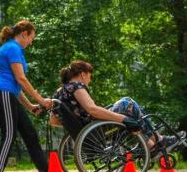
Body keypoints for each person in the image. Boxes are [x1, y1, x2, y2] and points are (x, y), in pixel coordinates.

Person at [0, 20, 59, 172]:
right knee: (9, 135)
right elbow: (21, 79)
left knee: (30, 134)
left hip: (8, 93)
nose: (31, 42)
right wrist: (41, 100)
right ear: (24, 33)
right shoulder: (12, 48)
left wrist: (30, 106)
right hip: (2, 92)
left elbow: (16, 87)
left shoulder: (14, 49)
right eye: (31, 37)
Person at [50, 60, 179, 151]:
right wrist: (123, 119)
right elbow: (92, 109)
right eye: (90, 76)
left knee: (130, 115)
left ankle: (151, 145)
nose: (90, 80)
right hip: (95, 128)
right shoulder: (76, 86)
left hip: (87, 130)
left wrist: (75, 124)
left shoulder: (58, 93)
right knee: (128, 103)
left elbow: (54, 120)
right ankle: (158, 140)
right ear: (83, 74)